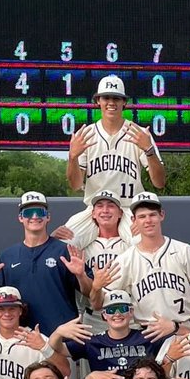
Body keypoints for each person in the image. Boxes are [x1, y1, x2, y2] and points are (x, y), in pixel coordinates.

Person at [60, 75, 167, 251]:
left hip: (128, 210)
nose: (111, 102)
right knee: (62, 245)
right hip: (95, 211)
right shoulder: (86, 134)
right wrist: (72, 158)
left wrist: (149, 150)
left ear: (124, 102)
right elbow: (75, 185)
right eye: (106, 97)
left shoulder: (139, 134)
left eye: (116, 98)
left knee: (148, 246)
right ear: (98, 101)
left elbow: (159, 182)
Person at [0, 191, 92, 336]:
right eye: (29, 212)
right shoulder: (8, 256)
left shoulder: (64, 251)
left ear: (48, 217)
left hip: (63, 339)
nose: (35, 216)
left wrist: (81, 275)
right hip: (23, 338)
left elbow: (90, 292)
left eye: (40, 212)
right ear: (20, 218)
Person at [94, 192, 190, 334]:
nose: (148, 220)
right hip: (147, 335)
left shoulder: (183, 250)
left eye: (152, 215)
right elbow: (98, 305)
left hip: (184, 331)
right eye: (142, 216)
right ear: (133, 220)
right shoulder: (125, 260)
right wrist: (96, 287)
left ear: (162, 215)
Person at [58, 289, 171, 379]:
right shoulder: (93, 341)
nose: (117, 314)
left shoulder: (148, 336)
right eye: (111, 310)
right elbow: (58, 349)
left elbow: (182, 339)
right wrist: (58, 332)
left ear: (131, 312)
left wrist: (174, 327)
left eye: (122, 309)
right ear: (104, 315)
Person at [76, 190, 132, 335]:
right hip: (94, 317)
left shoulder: (131, 245)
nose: (105, 210)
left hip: (124, 314)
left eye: (111, 206)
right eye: (100, 206)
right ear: (93, 213)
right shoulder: (83, 247)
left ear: (120, 213)